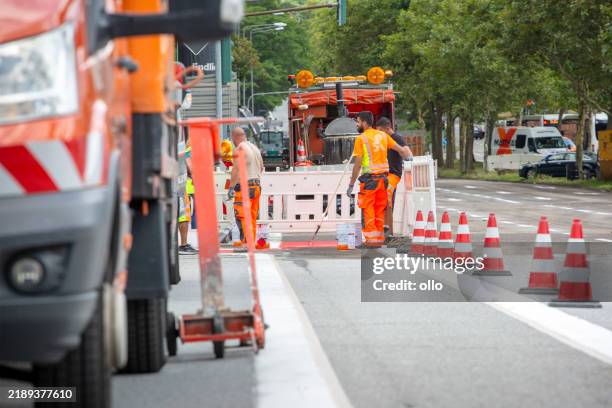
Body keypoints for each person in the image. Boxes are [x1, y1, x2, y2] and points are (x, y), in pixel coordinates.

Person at [347, 111, 412, 247]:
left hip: (370, 181)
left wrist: (351, 184)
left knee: (368, 209)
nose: (357, 124)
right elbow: (401, 150)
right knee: (379, 209)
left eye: (358, 122)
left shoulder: (361, 139)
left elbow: (358, 164)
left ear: (364, 122)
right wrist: (409, 158)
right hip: (384, 180)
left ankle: (371, 241)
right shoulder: (383, 136)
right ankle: (378, 240)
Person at [376, 117, 412, 241]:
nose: (380, 134)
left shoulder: (396, 138)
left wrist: (407, 158)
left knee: (386, 197)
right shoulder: (383, 140)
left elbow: (407, 153)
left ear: (387, 128)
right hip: (384, 174)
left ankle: (389, 232)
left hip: (393, 174)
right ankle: (384, 230)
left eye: (381, 131)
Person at [227, 127, 264, 246]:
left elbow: (236, 170)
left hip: (245, 187)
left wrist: (231, 188)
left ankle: (247, 242)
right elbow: (262, 167)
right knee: (252, 216)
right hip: (256, 186)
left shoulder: (239, 149)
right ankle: (251, 241)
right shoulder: (254, 148)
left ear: (234, 137)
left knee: (242, 215)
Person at [178, 137, 197, 254]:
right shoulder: (188, 151)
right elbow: (191, 167)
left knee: (182, 216)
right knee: (184, 216)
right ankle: (184, 245)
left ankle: (183, 244)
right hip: (183, 186)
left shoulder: (181, 151)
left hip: (181, 186)